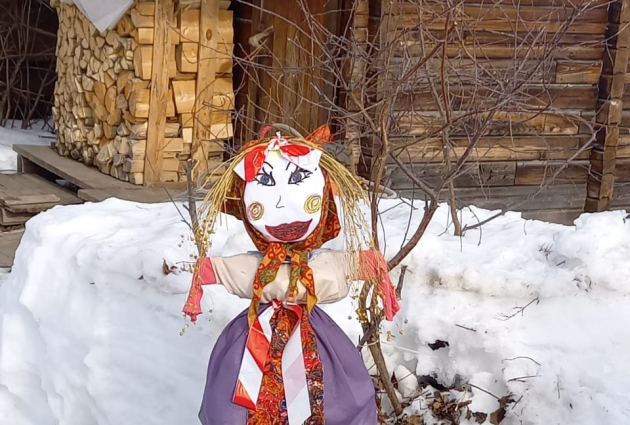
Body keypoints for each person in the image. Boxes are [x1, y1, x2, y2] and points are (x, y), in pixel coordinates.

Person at [183, 124, 400, 425]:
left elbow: (348, 267)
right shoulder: (259, 267)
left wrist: (378, 276)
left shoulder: (319, 265)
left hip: (311, 333)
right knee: (237, 401)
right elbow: (228, 270)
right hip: (259, 334)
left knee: (336, 397)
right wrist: (203, 279)